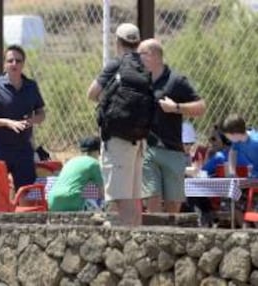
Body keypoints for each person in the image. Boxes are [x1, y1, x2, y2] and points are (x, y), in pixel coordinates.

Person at [87, 23, 149, 226]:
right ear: (137, 43)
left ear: (117, 42)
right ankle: (136, 237)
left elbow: (92, 93)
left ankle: (127, 243)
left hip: (117, 141)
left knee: (121, 200)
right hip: (138, 141)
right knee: (133, 197)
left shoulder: (116, 65)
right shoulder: (145, 67)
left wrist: (110, 103)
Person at [138, 38, 206, 213]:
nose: (137, 58)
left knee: (173, 207)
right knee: (152, 200)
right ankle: (150, 239)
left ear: (154, 56)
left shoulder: (176, 81)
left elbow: (201, 107)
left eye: (141, 54)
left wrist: (176, 108)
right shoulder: (140, 81)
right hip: (148, 150)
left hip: (173, 150)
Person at [0, 44, 45, 191]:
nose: (14, 64)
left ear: (23, 64)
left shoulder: (31, 86)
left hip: (23, 150)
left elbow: (41, 114)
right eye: (10, 60)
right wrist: (7, 123)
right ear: (4, 64)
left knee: (27, 194)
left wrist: (31, 121)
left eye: (18, 61)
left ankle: (23, 214)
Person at [48, 136, 104, 212]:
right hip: (72, 198)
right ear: (99, 151)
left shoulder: (71, 161)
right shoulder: (94, 164)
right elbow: (102, 192)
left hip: (52, 199)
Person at [220, 113, 258, 178]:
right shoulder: (237, 142)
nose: (227, 138)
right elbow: (232, 153)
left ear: (235, 134)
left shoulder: (255, 142)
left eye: (227, 136)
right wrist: (232, 171)